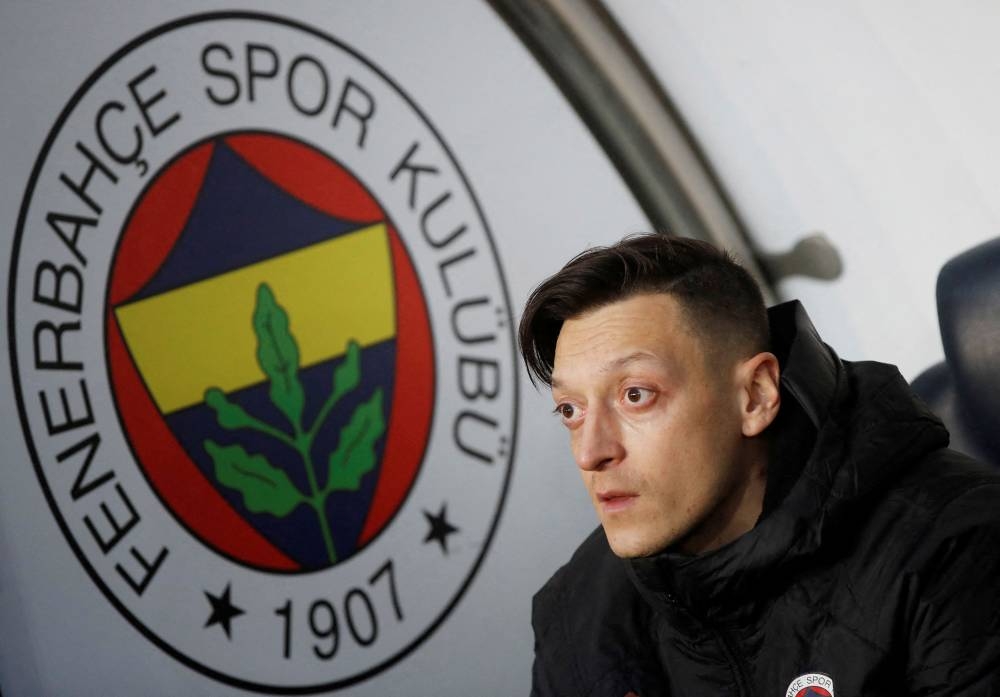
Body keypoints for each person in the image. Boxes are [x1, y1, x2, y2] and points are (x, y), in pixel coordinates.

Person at [518, 233, 1000, 697]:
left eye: (636, 395)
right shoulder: (577, 609)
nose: (590, 453)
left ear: (755, 396)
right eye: (571, 410)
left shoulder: (956, 551)